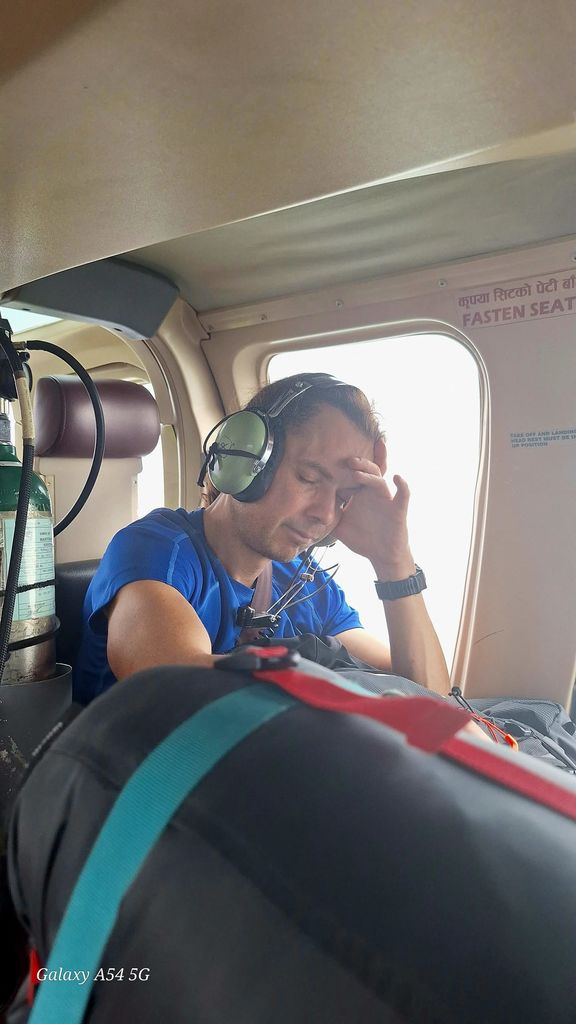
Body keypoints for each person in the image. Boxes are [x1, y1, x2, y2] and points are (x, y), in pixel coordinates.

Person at [74, 373, 450, 704]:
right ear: (245, 457)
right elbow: (179, 691)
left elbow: (431, 697)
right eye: (309, 478)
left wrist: (393, 560)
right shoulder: (155, 552)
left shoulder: (307, 584)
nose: (325, 514)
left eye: (343, 497)